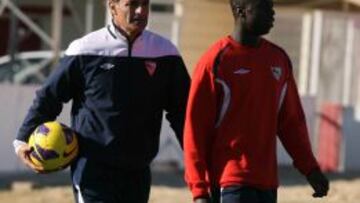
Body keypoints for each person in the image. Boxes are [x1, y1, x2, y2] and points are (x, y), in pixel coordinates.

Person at [12, 0, 190, 202]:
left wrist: (197, 159)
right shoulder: (85, 49)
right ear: (112, 6)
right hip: (92, 171)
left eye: (145, 4)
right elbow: (49, 96)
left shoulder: (166, 53)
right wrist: (23, 139)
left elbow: (183, 111)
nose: (140, 11)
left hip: (138, 172)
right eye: (131, 4)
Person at [183, 0, 329, 202]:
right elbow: (195, 130)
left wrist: (310, 169)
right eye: (265, 7)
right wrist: (199, 190)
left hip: (267, 183)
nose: (273, 13)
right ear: (240, 10)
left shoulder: (279, 59)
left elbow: (291, 123)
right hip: (230, 182)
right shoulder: (216, 61)